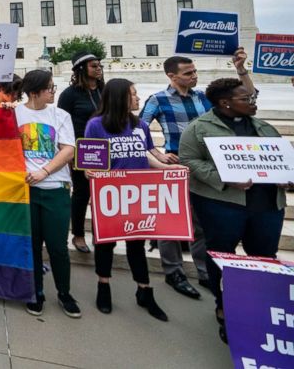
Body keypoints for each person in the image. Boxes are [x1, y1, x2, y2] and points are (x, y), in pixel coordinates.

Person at [179, 77, 286, 343]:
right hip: (222, 204)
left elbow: (284, 157)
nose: (253, 102)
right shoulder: (199, 128)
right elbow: (189, 160)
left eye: (252, 98)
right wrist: (224, 177)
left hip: (267, 205)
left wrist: (288, 175)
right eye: (246, 99)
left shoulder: (265, 127)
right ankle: (225, 307)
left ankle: (260, 307)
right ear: (225, 103)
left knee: (264, 257)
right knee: (221, 256)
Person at [139, 49, 251, 299]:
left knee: (201, 222)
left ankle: (203, 270)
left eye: (195, 71)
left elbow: (247, 99)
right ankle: (173, 271)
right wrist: (158, 155)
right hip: (177, 167)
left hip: (206, 167)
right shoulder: (158, 99)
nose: (194, 76)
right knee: (171, 222)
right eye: (187, 73)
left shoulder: (203, 98)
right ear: (172, 76)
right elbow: (138, 131)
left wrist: (240, 69)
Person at [82, 78, 170, 321]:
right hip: (109, 196)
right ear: (120, 97)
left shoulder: (140, 124)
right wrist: (91, 172)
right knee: (105, 244)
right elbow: (91, 162)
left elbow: (146, 156)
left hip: (137, 196)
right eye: (133, 94)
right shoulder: (96, 125)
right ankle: (104, 286)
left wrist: (169, 169)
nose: (137, 98)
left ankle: (144, 290)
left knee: (136, 245)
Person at [16, 69, 80, 318]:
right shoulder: (15, 114)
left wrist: (44, 171)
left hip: (55, 188)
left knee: (57, 247)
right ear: (34, 92)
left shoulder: (60, 115)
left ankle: (64, 293)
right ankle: (36, 292)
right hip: (25, 191)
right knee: (31, 245)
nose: (54, 92)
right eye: (50, 88)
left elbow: (68, 150)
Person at [57, 51, 105, 255]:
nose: (99, 68)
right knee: (81, 192)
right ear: (81, 69)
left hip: (105, 148)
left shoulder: (105, 91)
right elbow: (61, 123)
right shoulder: (69, 95)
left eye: (100, 65)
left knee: (103, 193)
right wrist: (68, 153)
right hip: (81, 150)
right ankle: (77, 234)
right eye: (94, 65)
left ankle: (102, 232)